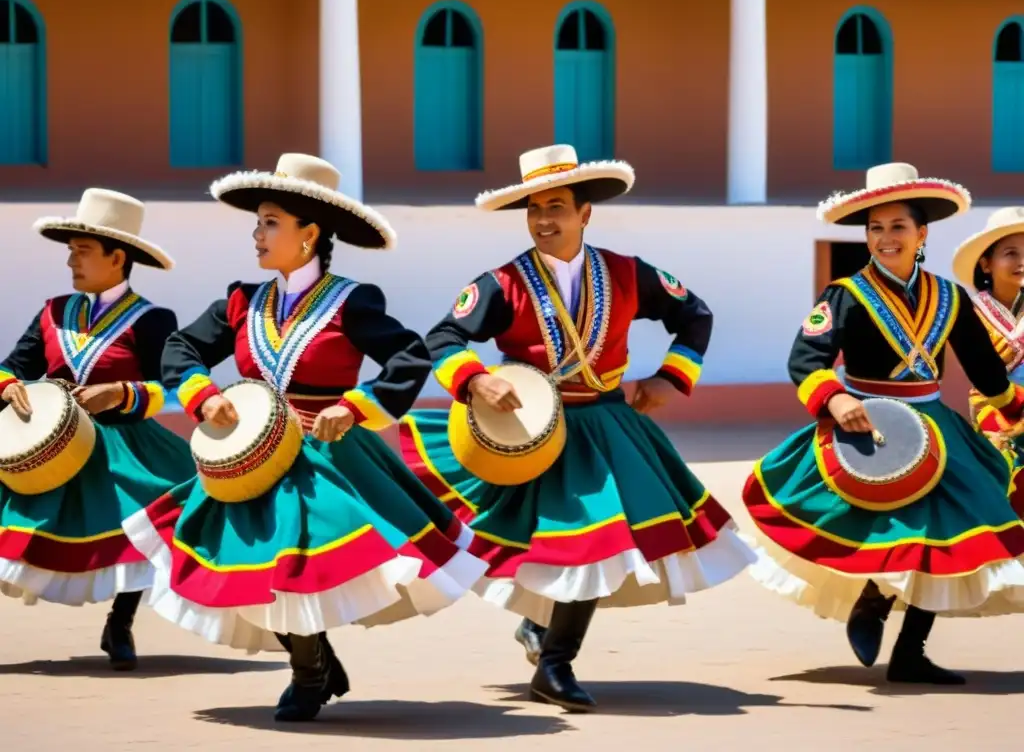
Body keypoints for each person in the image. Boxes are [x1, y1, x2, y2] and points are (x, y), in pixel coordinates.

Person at [121, 153, 487, 723]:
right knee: (252, 564)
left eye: (270, 222)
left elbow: (408, 357)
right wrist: (203, 395)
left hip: (323, 451)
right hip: (248, 450)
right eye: (258, 221)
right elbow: (181, 347)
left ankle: (308, 673)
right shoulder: (242, 301)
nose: (257, 233)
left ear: (309, 234)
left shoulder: (353, 300)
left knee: (298, 563)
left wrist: (357, 406)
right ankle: (314, 661)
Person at [398, 144, 756, 711]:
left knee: (596, 541)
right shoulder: (500, 283)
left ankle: (554, 661)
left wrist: (671, 378)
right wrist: (474, 382)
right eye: (534, 208)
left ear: (584, 213)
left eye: (557, 206)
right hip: (528, 432)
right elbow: (442, 338)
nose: (544, 219)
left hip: (606, 426)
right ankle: (541, 633)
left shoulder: (629, 273)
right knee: (540, 543)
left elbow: (696, 315)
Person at [743, 163, 1024, 686]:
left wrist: (1014, 411)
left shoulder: (951, 297)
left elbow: (986, 371)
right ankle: (871, 601)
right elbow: (805, 359)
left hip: (938, 431)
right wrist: (834, 400)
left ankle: (910, 649)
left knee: (948, 538)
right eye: (876, 228)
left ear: (922, 234)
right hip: (868, 428)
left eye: (898, 227)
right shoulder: (844, 294)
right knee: (890, 533)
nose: (886, 238)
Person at [0, 188, 193, 670]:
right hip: (51, 439)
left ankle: (120, 622)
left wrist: (122, 393)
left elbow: (171, 387)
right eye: (70, 250)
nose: (71, 261)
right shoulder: (52, 311)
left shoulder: (152, 320)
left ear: (117, 257)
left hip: (122, 442)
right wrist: (9, 388)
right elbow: (12, 366)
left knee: (145, 521)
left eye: (83, 251)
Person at [951, 207, 1024, 455]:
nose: (1021, 261)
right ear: (986, 264)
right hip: (991, 425)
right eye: (1011, 253)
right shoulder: (966, 314)